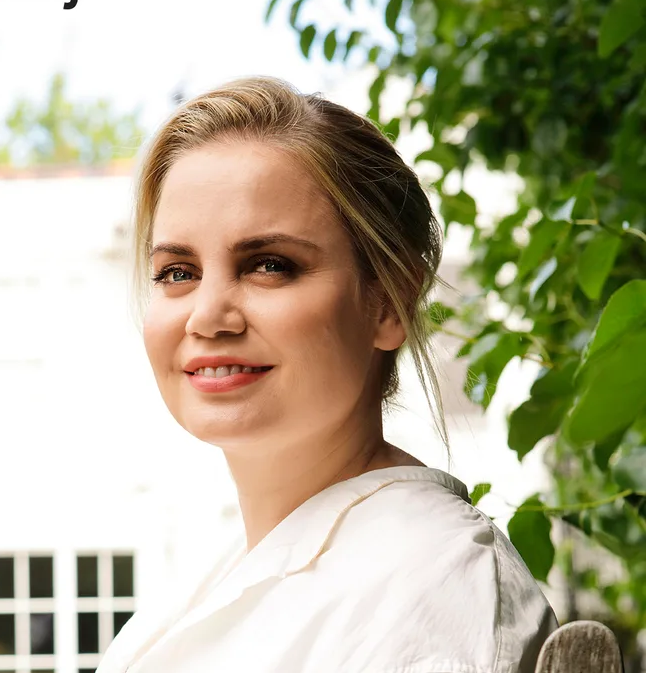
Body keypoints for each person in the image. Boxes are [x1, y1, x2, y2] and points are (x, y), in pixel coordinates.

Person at [96, 76, 557, 673]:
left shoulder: (435, 589)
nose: (207, 316)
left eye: (269, 265)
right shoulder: (190, 597)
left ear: (388, 302)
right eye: (177, 272)